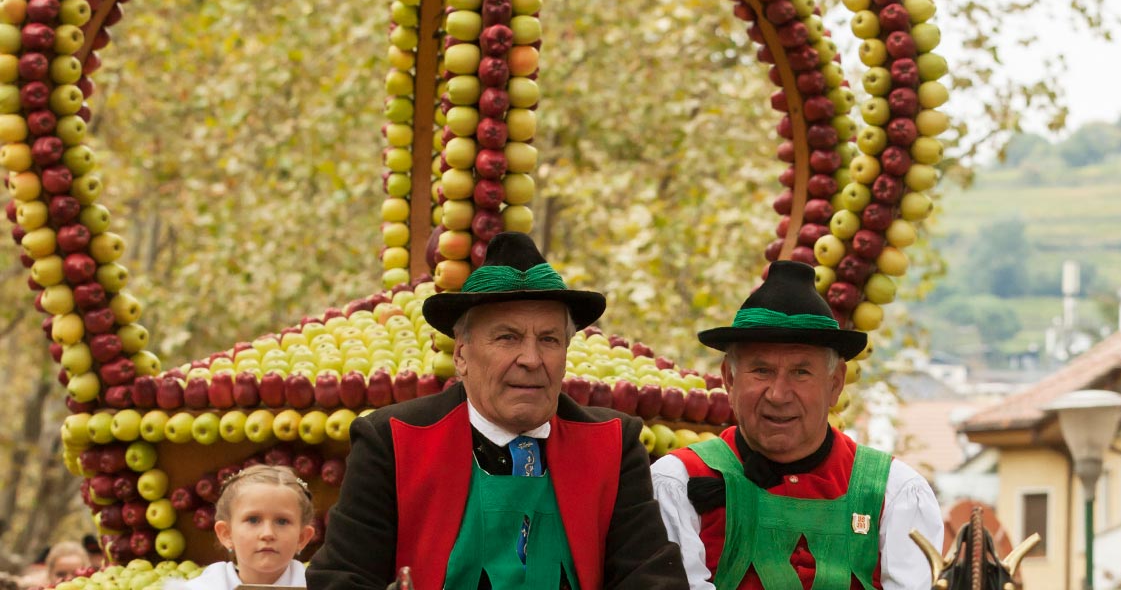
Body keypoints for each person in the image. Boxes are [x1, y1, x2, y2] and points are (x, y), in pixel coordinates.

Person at [307, 231, 687, 590]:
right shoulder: (392, 441)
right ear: (461, 355)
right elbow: (343, 579)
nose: (531, 359)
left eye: (549, 340)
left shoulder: (612, 444)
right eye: (507, 337)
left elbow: (651, 577)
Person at [652, 261, 943, 590]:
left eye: (801, 372)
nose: (778, 394)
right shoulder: (677, 482)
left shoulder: (895, 492)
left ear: (835, 383)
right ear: (729, 379)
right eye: (761, 370)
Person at [169, 465, 314, 589]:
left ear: (302, 537)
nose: (267, 533)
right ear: (226, 534)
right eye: (253, 520)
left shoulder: (320, 585)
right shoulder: (204, 587)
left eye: (282, 521)